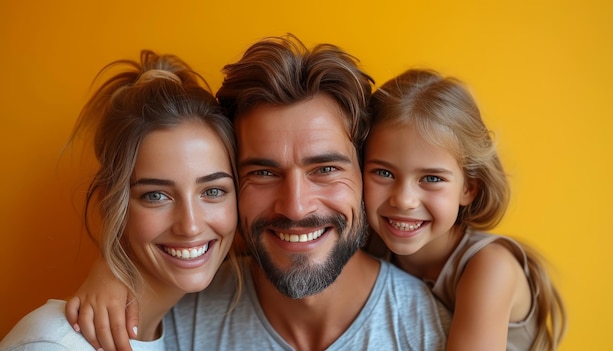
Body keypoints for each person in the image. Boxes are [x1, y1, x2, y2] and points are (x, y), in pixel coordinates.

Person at [65, 34, 451, 351]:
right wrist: (115, 267)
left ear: (368, 174)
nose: (296, 206)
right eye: (264, 172)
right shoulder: (174, 321)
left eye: (326, 169)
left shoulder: (433, 328)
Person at [0, 50, 240, 351]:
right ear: (111, 204)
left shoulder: (183, 325)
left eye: (213, 191)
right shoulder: (53, 344)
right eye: (156, 196)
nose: (190, 225)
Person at [363, 68, 567, 350]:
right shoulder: (366, 246)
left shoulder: (490, 268)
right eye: (384, 173)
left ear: (469, 188)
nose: (404, 199)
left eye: (432, 179)